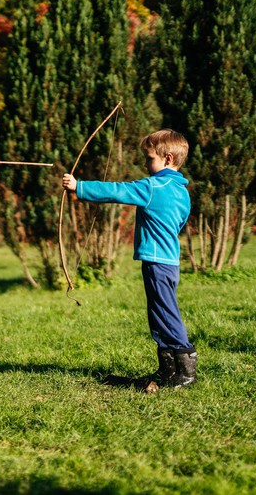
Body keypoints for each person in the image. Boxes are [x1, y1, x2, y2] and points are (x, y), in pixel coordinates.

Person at [62, 129, 196, 388]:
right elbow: (179, 221)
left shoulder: (154, 186)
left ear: (167, 159)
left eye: (149, 159)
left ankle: (185, 371)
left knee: (166, 314)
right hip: (169, 261)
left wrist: (80, 186)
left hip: (158, 263)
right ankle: (168, 370)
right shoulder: (182, 191)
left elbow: (118, 191)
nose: (146, 165)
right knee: (159, 313)